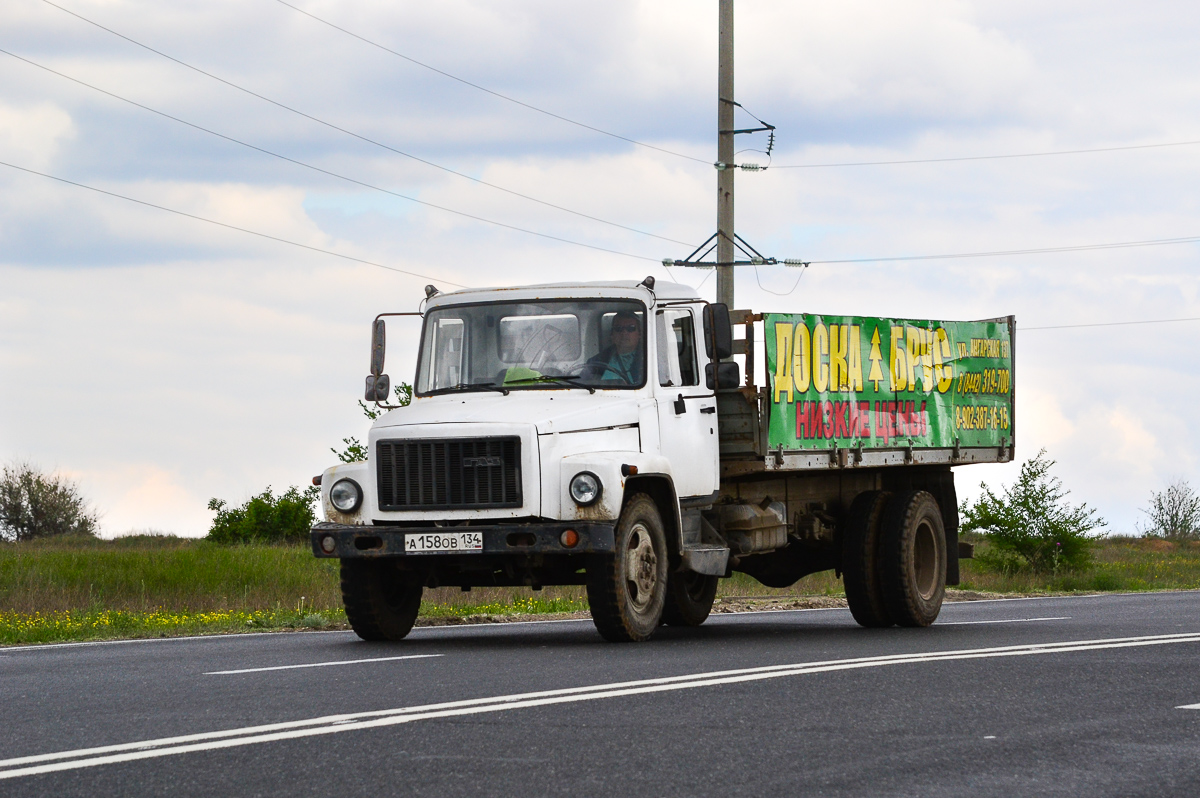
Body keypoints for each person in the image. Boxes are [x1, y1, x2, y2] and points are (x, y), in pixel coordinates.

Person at [581, 311, 644, 385]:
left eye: (630, 328)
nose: (624, 332)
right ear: (612, 334)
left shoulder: (648, 360)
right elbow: (581, 385)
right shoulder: (595, 362)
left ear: (639, 334)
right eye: (618, 328)